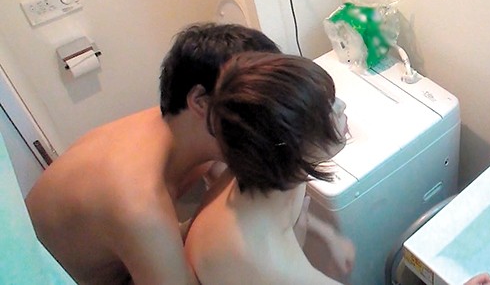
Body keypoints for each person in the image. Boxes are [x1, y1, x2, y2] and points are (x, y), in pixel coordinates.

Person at [25, 24, 280, 284]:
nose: (269, 116)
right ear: (200, 101)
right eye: (256, 103)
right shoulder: (137, 200)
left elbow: (227, 194)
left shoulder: (185, 129)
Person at [185, 53, 350, 284]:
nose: (342, 106)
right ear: (288, 142)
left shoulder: (265, 164)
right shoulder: (266, 265)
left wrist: (327, 234)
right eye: (327, 108)